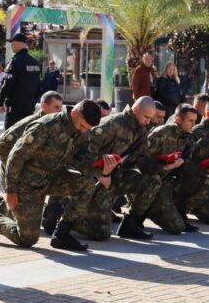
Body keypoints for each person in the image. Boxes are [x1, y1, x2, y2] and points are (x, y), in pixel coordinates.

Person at [0, 100, 107, 251]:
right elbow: (16, 156)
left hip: (53, 177)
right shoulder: (46, 127)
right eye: (83, 126)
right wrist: (11, 190)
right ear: (74, 113)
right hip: (28, 183)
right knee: (27, 238)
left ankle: (62, 234)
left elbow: (82, 160)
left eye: (87, 129)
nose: (84, 131)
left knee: (86, 185)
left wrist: (101, 167)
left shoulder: (81, 130)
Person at [67, 96, 163, 240]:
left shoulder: (140, 130)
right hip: (94, 179)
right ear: (136, 110)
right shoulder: (113, 124)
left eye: (150, 118)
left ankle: (130, 224)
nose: (148, 121)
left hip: (114, 177)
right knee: (101, 233)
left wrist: (161, 165)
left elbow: (140, 159)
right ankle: (67, 219)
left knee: (153, 180)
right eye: (146, 117)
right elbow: (82, 152)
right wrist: (101, 174)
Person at [140, 104, 203, 234]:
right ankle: (141, 213)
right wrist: (164, 166)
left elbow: (186, 165)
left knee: (196, 178)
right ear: (179, 120)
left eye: (195, 121)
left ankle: (178, 212)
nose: (193, 124)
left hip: (167, 182)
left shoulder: (187, 138)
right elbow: (140, 161)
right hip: (149, 181)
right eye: (190, 120)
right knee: (176, 227)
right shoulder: (160, 134)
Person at [0, 91, 64, 189]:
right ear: (44, 106)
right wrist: (17, 172)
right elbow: (0, 146)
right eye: (56, 107)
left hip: (35, 179)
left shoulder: (54, 125)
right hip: (15, 180)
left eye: (61, 108)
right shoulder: (30, 123)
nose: (59, 111)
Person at [0, 33, 42, 129]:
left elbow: (7, 83)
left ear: (18, 43)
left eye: (12, 43)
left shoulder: (15, 61)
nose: (11, 45)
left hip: (15, 109)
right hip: (29, 107)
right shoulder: (34, 62)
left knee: (9, 137)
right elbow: (38, 86)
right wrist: (32, 102)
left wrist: (0, 102)